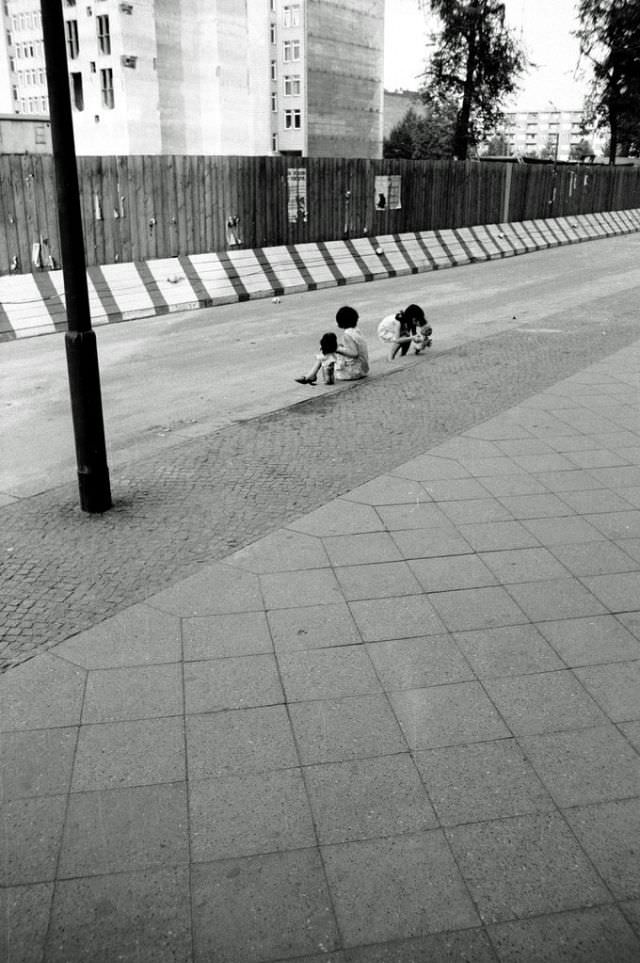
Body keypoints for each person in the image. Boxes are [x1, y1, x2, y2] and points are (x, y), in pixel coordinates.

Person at [295, 306, 369, 385]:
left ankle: (314, 375)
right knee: (329, 348)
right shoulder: (357, 331)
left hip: (353, 373)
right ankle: (312, 375)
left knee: (327, 350)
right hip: (362, 370)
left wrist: (336, 349)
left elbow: (354, 353)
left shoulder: (347, 335)